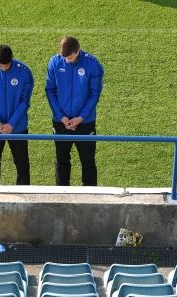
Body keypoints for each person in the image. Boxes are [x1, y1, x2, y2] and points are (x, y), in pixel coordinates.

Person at [45, 36, 104, 186]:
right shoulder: (55, 63)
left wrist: (81, 117)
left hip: (85, 123)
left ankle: (91, 197)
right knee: (61, 160)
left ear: (78, 51)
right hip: (61, 123)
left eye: (70, 57)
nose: (67, 61)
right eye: (65, 58)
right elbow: (50, 91)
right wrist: (61, 117)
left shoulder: (93, 64)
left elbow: (94, 94)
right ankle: (61, 194)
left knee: (88, 161)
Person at [0, 44, 34, 185]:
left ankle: (23, 194)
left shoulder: (24, 72)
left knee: (22, 162)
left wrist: (11, 124)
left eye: (6, 65)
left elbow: (24, 101)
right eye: (0, 65)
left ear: (12, 59)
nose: (3, 68)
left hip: (18, 127)